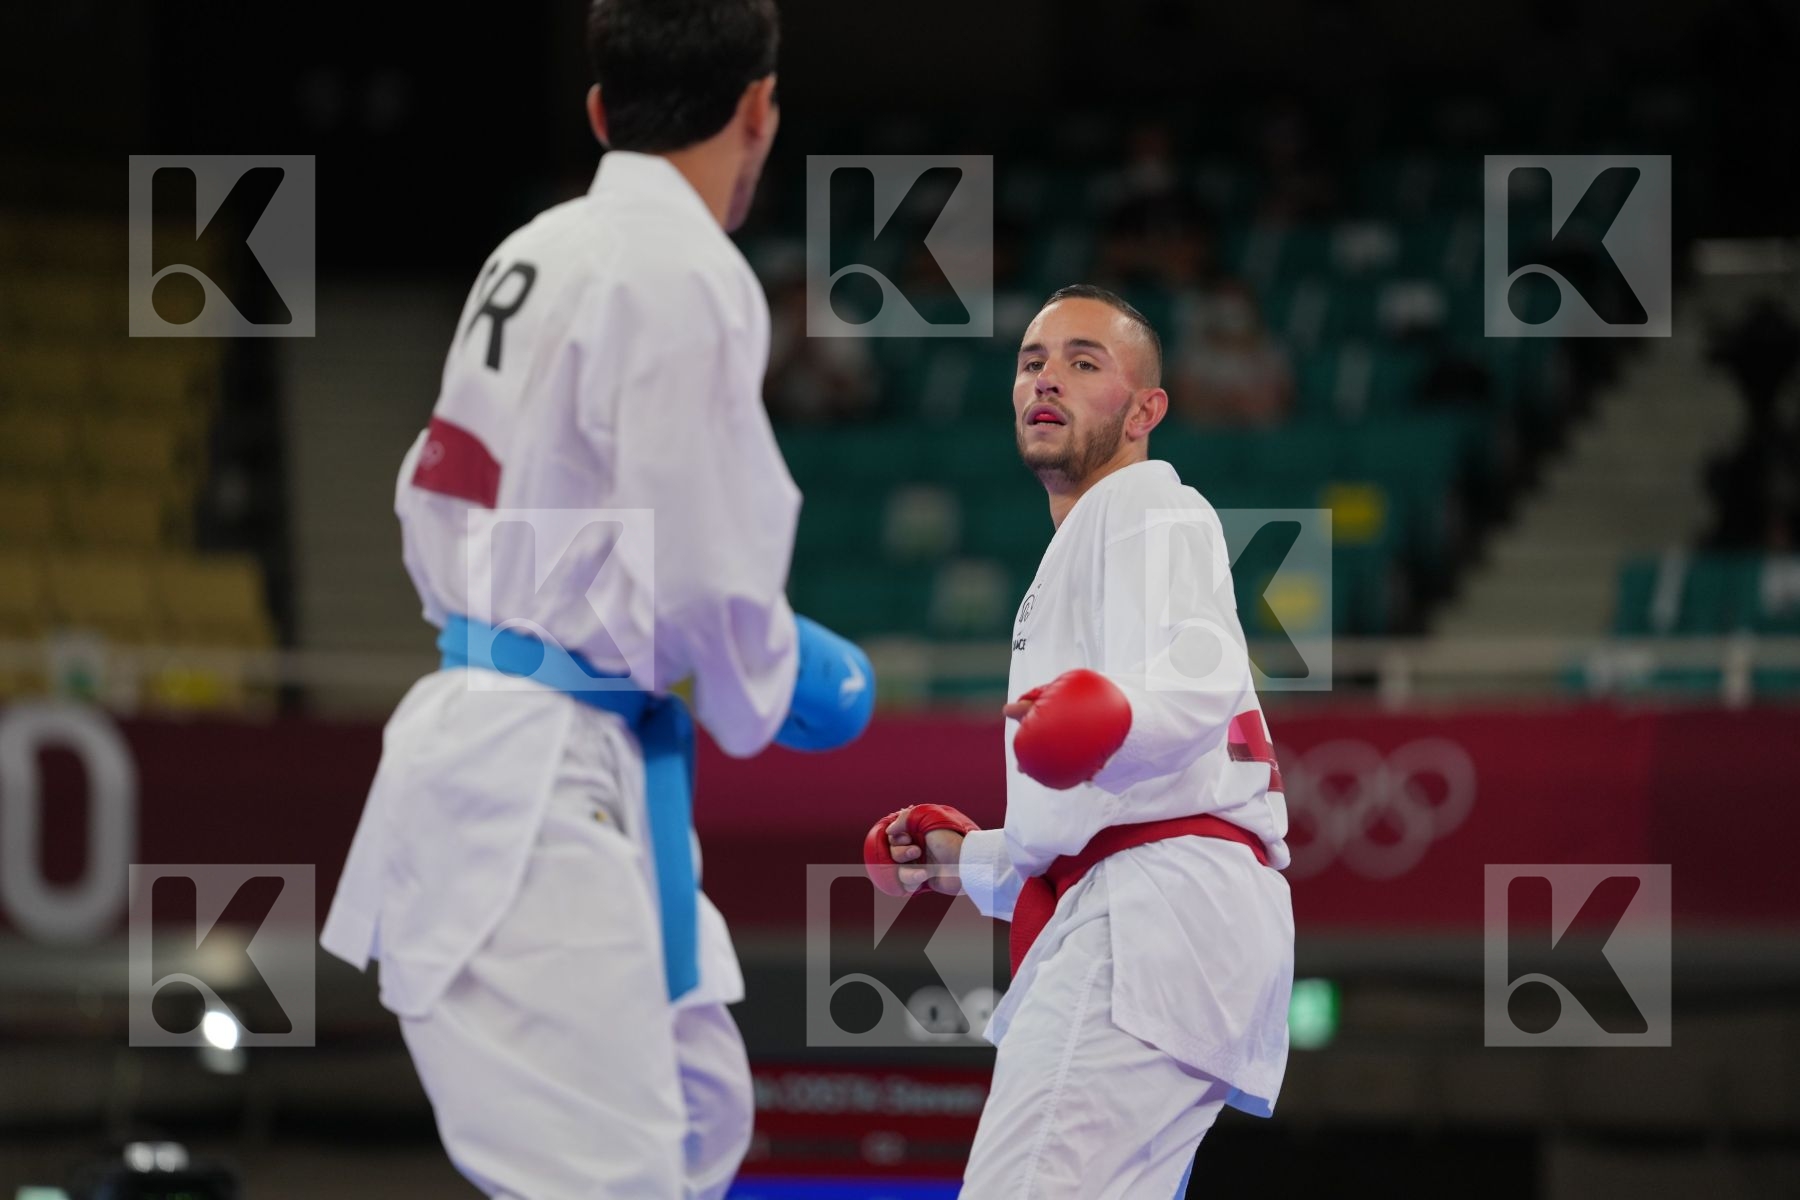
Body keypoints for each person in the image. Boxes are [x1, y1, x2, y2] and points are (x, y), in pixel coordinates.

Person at [321, 2, 875, 1196]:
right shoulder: (688, 273)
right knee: (619, 1180)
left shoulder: (535, 247)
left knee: (698, 1120)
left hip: (540, 729)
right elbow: (703, 567)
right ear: (758, 110)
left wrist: (726, 664)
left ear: (597, 112)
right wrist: (769, 675)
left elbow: (462, 495)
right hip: (531, 775)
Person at [865, 284, 1294, 1198]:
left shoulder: (1147, 502)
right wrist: (959, 861)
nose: (1046, 380)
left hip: (1151, 913)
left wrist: (1110, 720)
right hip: (1162, 904)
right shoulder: (1088, 541)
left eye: (1083, 362)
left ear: (1147, 410)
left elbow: (1197, 681)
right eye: (1031, 363)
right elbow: (1094, 813)